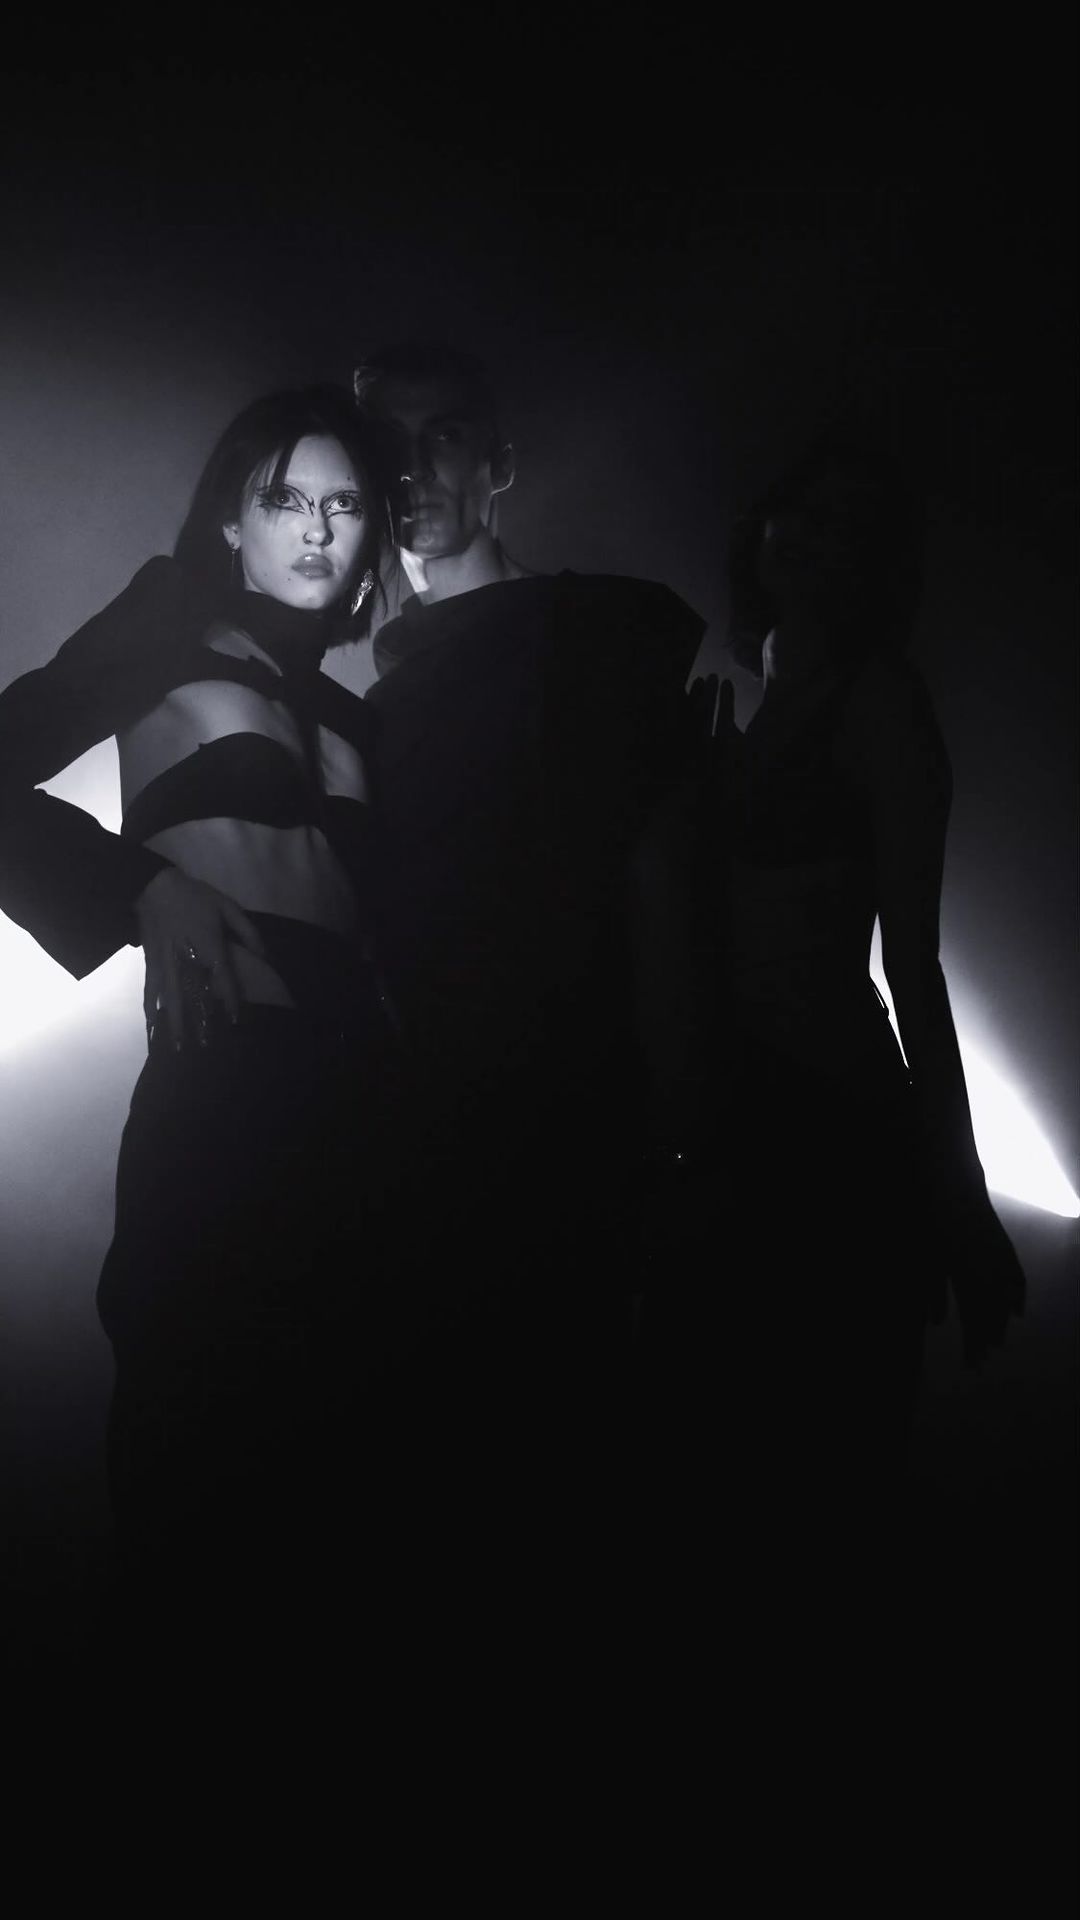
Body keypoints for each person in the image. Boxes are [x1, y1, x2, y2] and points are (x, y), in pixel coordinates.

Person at [0, 385, 406, 1693]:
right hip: (227, 1095)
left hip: (370, 1118)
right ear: (231, 519)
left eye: (345, 504)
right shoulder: (167, 623)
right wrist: (139, 886)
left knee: (346, 1528)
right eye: (285, 498)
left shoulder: (363, 717)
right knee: (196, 1495)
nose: (317, 529)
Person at [636, 434, 1027, 1671]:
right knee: (756, 1497)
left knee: (811, 1502)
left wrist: (960, 1198)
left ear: (879, 564)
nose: (811, 536)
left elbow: (913, 964)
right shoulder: (765, 703)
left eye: (849, 526)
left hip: (826, 1130)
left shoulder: (877, 702)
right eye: (799, 510)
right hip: (749, 1122)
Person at [350, 342, 706, 1632]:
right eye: (388, 444)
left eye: (443, 436)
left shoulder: (586, 630)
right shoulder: (386, 674)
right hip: (436, 1139)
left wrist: (680, 1129)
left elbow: (657, 878)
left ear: (498, 463)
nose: (412, 469)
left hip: (573, 1122)